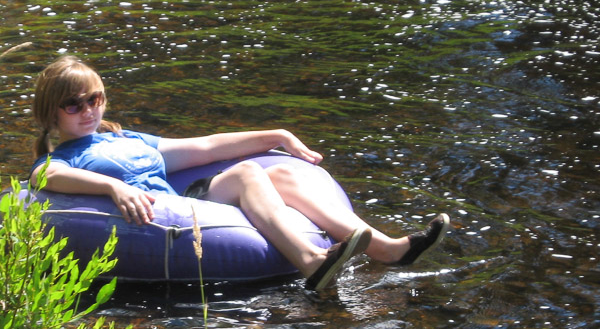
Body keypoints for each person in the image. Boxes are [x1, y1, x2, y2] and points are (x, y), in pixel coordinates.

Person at [29, 55, 450, 291]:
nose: (88, 110)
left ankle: (389, 249)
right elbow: (44, 179)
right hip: (165, 217)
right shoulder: (66, 155)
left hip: (186, 202)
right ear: (52, 112)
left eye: (95, 99)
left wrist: (277, 135)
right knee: (249, 174)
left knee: (282, 176)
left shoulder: (126, 138)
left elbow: (205, 147)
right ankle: (310, 262)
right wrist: (112, 186)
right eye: (74, 104)